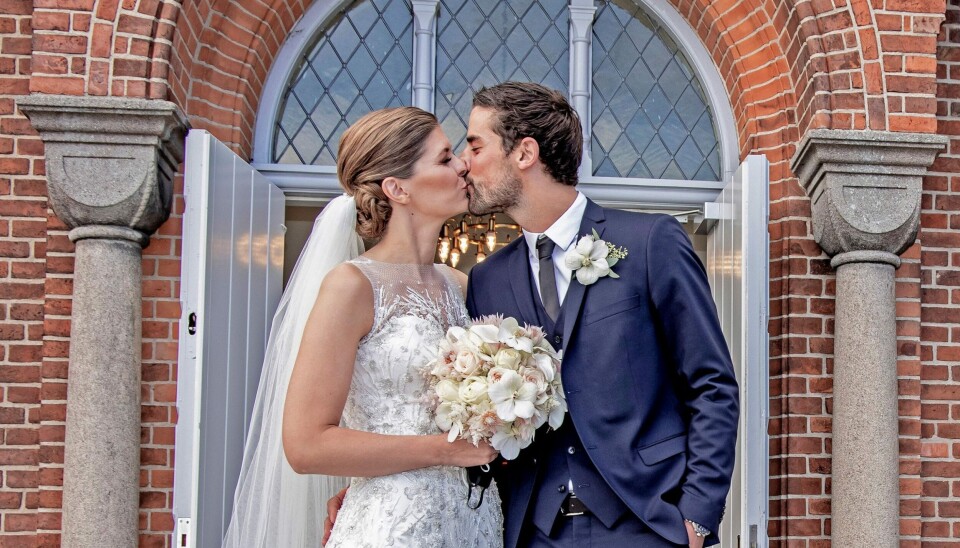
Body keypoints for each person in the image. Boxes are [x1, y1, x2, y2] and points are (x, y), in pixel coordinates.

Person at [326, 82, 739, 548]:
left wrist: (698, 516)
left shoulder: (649, 243)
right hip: (529, 530)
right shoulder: (485, 279)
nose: (464, 161)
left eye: (475, 145)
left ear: (524, 153)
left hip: (647, 525)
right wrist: (374, 486)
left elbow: (712, 384)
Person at [223, 107, 503, 547]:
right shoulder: (352, 286)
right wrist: (443, 451)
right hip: (392, 527)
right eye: (445, 158)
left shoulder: (460, 285)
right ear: (397, 188)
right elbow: (306, 444)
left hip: (472, 519)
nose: (463, 165)